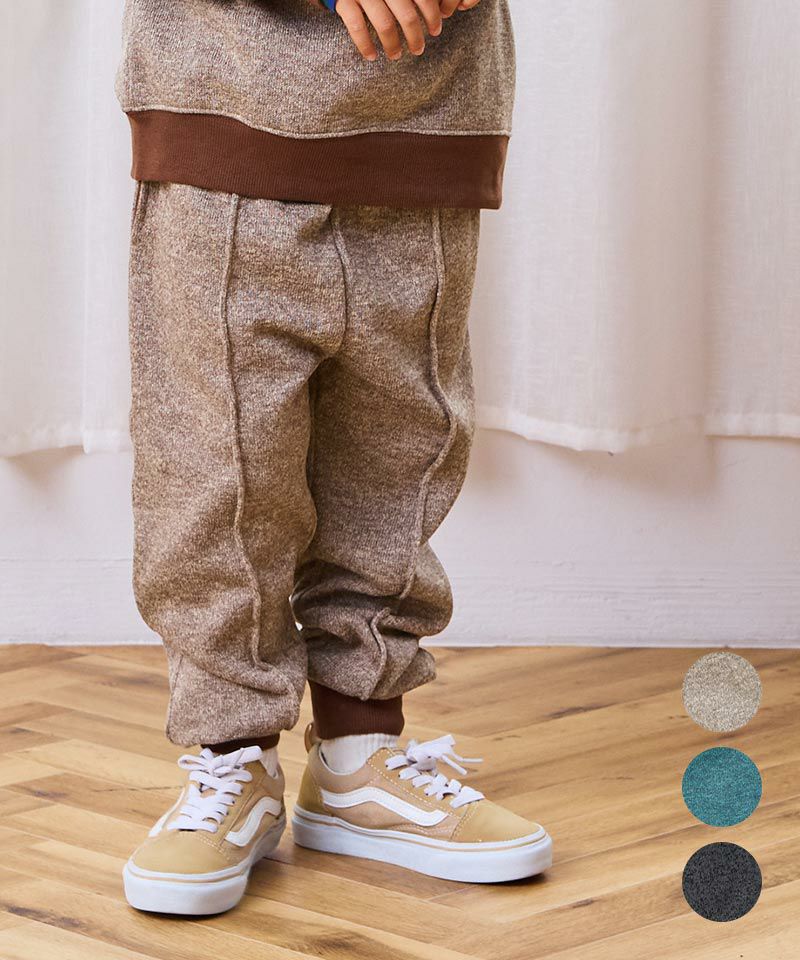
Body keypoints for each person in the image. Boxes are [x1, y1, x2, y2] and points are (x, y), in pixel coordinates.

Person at [116, 0, 551, 916]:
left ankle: (359, 755)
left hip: (428, 122)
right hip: (225, 107)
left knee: (404, 453)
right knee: (216, 471)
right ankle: (231, 757)